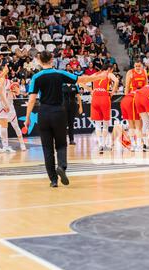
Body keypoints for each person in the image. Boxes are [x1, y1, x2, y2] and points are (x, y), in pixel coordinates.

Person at [25, 51, 107, 188]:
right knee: (61, 144)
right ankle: (61, 167)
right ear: (52, 59)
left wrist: (27, 118)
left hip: (44, 113)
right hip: (58, 112)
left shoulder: (36, 77)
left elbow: (32, 99)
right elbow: (81, 80)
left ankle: (53, 180)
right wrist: (98, 76)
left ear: (40, 61)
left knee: (47, 148)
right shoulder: (60, 73)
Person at [89, 64, 119, 152]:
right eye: (112, 70)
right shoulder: (108, 74)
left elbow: (82, 81)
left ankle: (100, 145)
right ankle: (104, 144)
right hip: (104, 98)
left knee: (97, 125)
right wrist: (113, 92)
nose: (112, 72)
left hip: (95, 99)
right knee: (105, 124)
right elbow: (116, 81)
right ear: (109, 69)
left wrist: (91, 90)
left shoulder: (95, 74)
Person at [121, 60, 148, 151]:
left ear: (142, 65)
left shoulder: (144, 72)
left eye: (139, 66)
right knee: (132, 123)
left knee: (139, 123)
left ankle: (139, 143)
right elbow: (127, 86)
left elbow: (147, 86)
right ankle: (134, 144)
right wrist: (125, 97)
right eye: (136, 66)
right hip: (132, 98)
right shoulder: (130, 72)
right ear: (134, 65)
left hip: (141, 98)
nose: (137, 67)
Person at [63, 64, 84, 145]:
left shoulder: (75, 86)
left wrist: (80, 107)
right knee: (63, 124)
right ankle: (63, 140)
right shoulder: (62, 85)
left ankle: (71, 140)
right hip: (63, 106)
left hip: (73, 106)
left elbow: (78, 97)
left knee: (71, 123)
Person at [5, 80, 27, 151]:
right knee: (2, 129)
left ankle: (22, 144)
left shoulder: (11, 87)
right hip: (3, 110)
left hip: (11, 110)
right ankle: (5, 146)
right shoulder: (0, 87)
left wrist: (14, 88)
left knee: (16, 127)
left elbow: (17, 93)